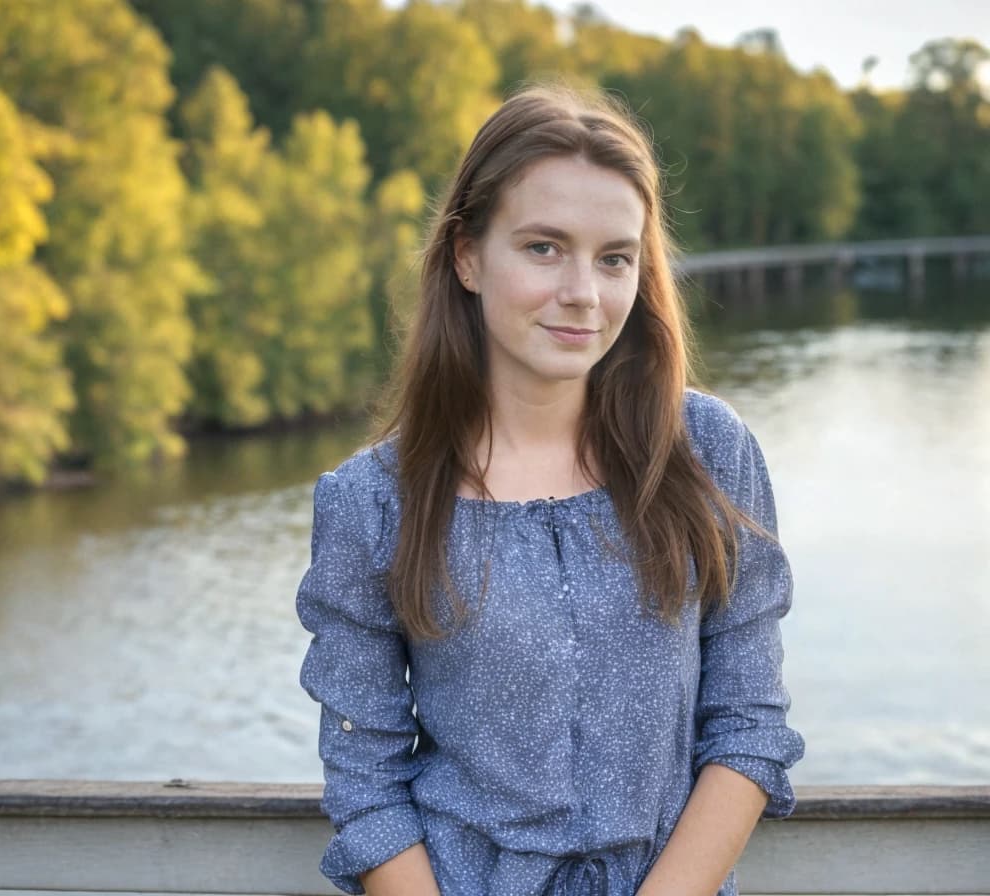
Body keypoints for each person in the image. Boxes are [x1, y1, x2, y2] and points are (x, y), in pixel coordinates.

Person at [295, 85, 805, 896]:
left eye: (615, 258)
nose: (585, 294)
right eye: (543, 248)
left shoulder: (706, 453)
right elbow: (366, 781)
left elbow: (748, 727)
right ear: (467, 256)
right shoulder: (374, 502)